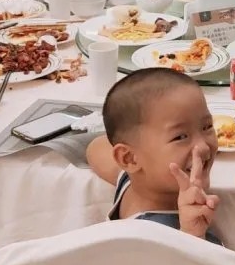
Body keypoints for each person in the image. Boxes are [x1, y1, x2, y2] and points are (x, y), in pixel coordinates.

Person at [86, 69, 220, 242]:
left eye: (207, 127)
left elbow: (95, 146)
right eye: (180, 137)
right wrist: (192, 235)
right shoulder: (149, 237)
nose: (202, 147)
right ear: (129, 159)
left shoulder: (134, 181)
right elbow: (182, 262)